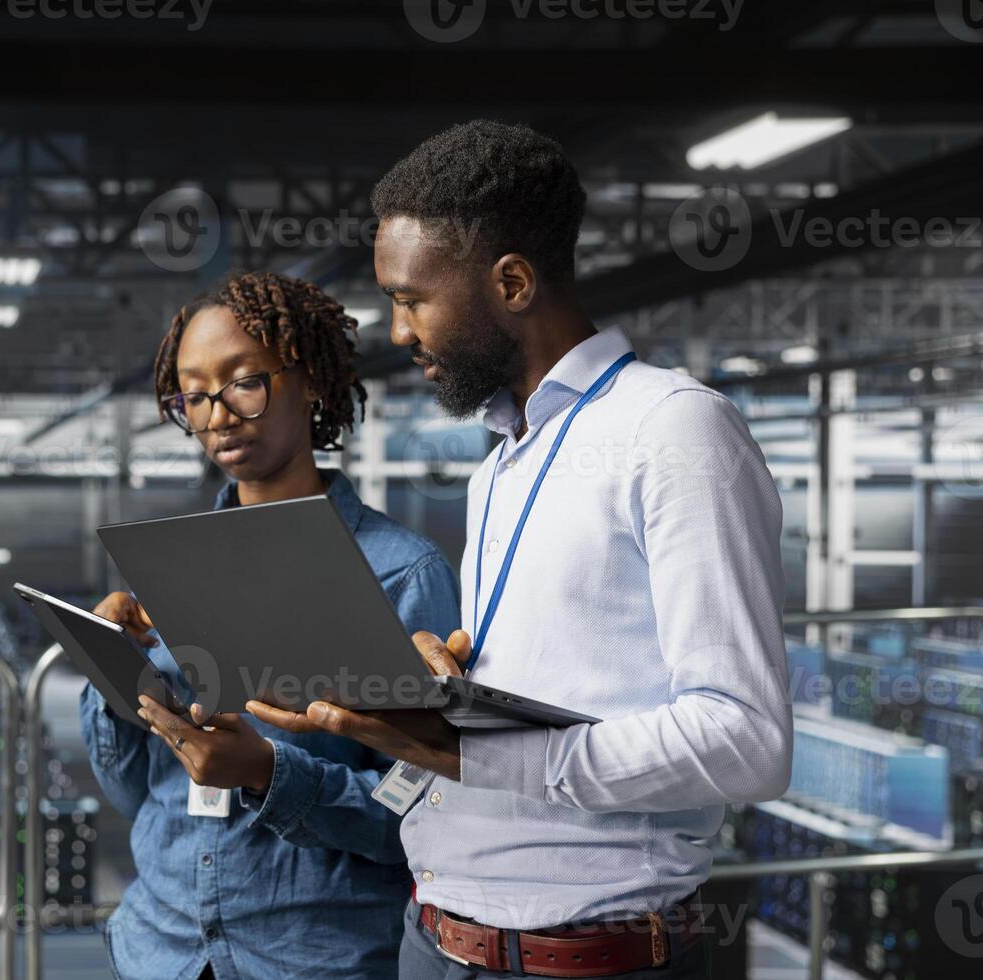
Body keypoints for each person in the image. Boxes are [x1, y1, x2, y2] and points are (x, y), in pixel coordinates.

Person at [251, 121, 793, 978]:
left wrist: (474, 748)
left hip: (580, 958)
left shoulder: (675, 429)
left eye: (411, 299)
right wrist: (437, 690)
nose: (397, 333)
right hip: (436, 935)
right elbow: (557, 682)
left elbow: (745, 738)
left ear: (510, 282)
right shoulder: (503, 460)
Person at [80, 271, 461, 979]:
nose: (217, 414)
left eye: (243, 382)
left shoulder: (402, 575)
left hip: (310, 957)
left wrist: (270, 775)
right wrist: (112, 666)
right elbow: (137, 793)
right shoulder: (168, 567)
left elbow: (427, 812)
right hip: (162, 947)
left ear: (310, 379)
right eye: (193, 396)